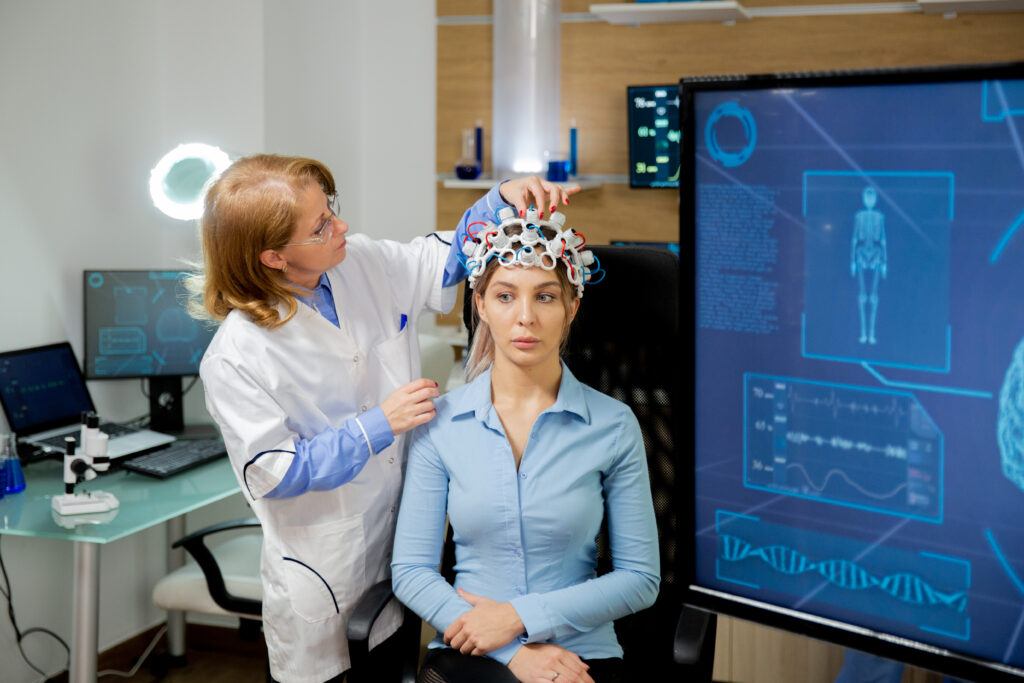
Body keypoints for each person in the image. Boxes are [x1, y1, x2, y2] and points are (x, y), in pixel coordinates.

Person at [189, 153, 576, 683]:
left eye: (332, 209)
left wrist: (501, 197)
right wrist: (378, 426)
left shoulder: (358, 262)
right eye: (321, 225)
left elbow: (446, 259)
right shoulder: (236, 356)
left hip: (402, 562)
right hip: (327, 575)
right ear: (274, 257)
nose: (341, 226)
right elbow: (275, 473)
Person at [391, 209, 661, 683]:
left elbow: (641, 580)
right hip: (470, 647)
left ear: (572, 306)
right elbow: (411, 570)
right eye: (505, 295)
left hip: (581, 652)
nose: (525, 318)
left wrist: (516, 618)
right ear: (480, 304)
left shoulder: (614, 426)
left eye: (545, 296)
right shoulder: (440, 424)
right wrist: (512, 650)